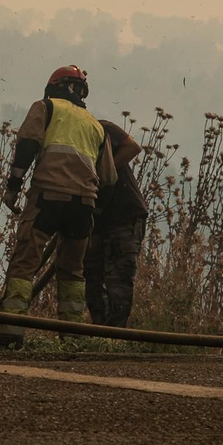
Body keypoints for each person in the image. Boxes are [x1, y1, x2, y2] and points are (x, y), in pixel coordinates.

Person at [0, 65, 116, 349]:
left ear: (54, 86)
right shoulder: (95, 125)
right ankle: (71, 338)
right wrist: (92, 210)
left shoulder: (45, 108)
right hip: (83, 206)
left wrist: (13, 188)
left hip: (47, 198)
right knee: (72, 271)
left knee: (25, 265)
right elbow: (108, 179)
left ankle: (11, 333)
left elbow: (27, 147)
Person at [84, 120, 148, 327]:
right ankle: (101, 338)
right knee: (92, 279)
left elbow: (132, 147)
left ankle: (113, 338)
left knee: (117, 281)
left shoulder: (97, 127)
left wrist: (101, 175)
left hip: (123, 214)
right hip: (94, 219)